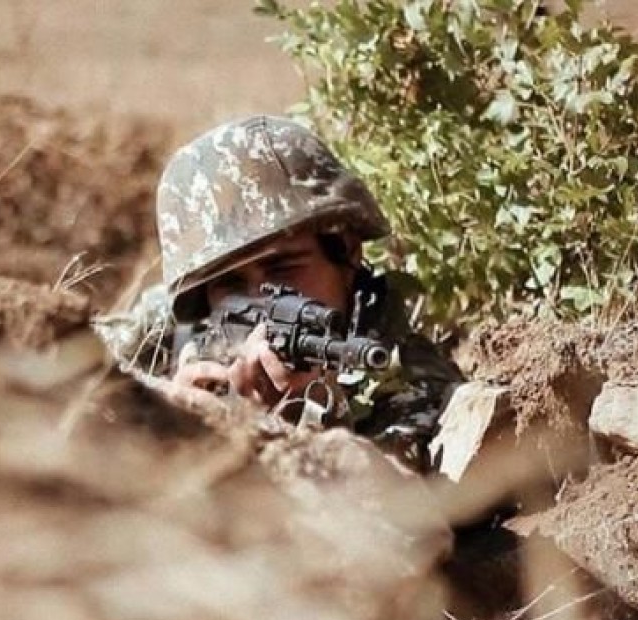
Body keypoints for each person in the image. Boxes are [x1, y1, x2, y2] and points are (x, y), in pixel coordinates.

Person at [153, 115, 463, 474]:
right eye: (231, 284)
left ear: (348, 252)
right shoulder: (175, 337)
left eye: (283, 268)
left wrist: (297, 420)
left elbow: (393, 503)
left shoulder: (415, 389)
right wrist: (167, 422)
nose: (260, 299)